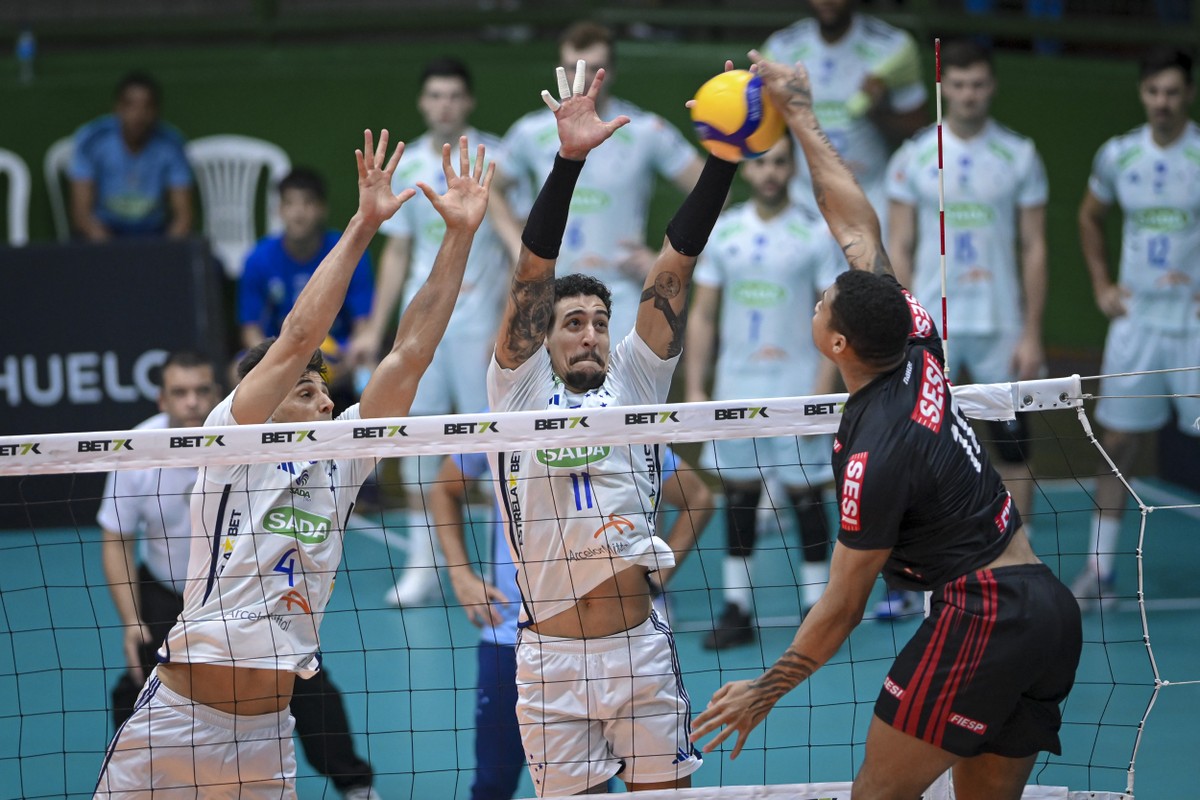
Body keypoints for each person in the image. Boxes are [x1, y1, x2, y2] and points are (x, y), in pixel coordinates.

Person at [691, 53, 1082, 800]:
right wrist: (800, 113)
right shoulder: (915, 339)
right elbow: (856, 226)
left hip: (984, 618)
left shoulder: (876, 448)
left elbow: (843, 606)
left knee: (876, 796)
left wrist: (763, 692)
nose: (819, 300)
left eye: (821, 305)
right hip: (1046, 609)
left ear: (837, 345)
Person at [94, 131, 496, 798]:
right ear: (261, 401)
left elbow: (411, 352)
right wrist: (364, 224)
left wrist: (458, 236)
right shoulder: (230, 441)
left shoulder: (343, 462)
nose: (324, 395)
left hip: (266, 736)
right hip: (176, 725)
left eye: (325, 387)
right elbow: (299, 336)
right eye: (305, 388)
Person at [487, 59, 738, 796]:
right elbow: (531, 273)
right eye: (574, 323)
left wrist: (723, 160)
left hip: (638, 652)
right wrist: (569, 163)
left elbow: (673, 269)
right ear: (545, 337)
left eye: (600, 320)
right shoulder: (518, 391)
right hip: (550, 664)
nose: (591, 333)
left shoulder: (634, 379)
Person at [98, 351, 381, 799]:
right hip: (168, 590)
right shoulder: (139, 449)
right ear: (161, 399)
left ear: (218, 395)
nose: (191, 402)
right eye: (179, 393)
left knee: (307, 681)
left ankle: (355, 784)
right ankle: (147, 764)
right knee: (131, 681)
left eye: (200, 391)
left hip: (248, 587)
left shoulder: (243, 435)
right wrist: (131, 620)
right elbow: (115, 538)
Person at [430, 444, 713, 800]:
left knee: (608, 788)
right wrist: (460, 574)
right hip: (517, 638)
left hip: (624, 645)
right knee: (492, 781)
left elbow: (698, 496)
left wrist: (655, 579)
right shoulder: (504, 423)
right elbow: (444, 487)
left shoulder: (623, 424)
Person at [883, 39, 1048, 619]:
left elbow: (1034, 246)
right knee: (920, 449)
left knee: (1012, 447)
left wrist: (1031, 332)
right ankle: (917, 575)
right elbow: (898, 243)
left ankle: (1019, 567)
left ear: (991, 85)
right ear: (943, 86)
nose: (969, 93)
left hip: (1001, 321)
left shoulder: (1020, 154)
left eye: (978, 83)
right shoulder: (914, 155)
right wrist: (903, 321)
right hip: (934, 325)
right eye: (958, 83)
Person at [347, 58, 520, 608]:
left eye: (453, 95)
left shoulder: (498, 159)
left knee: (492, 453)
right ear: (424, 104)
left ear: (467, 102)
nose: (444, 104)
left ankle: (505, 564)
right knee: (421, 450)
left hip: (480, 333)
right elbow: (397, 251)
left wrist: (533, 301)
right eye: (435, 95)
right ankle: (424, 568)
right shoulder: (414, 164)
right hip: (425, 334)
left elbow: (509, 230)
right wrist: (376, 329)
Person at [684, 136, 842, 649]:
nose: (770, 172)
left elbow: (834, 317)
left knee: (806, 497)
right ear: (747, 172)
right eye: (761, 164)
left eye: (779, 162)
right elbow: (704, 315)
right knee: (741, 498)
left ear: (792, 168)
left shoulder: (816, 234)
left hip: (797, 390)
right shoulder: (724, 232)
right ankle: (737, 608)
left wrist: (823, 390)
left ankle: (815, 609)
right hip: (735, 392)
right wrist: (694, 387)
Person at [1075, 46, 1200, 608]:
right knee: (1117, 442)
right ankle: (1099, 572)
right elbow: (1089, 216)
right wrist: (1103, 285)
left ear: (1188, 94)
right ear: (1142, 94)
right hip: (1136, 324)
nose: (1163, 103)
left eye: (1173, 92)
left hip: (1193, 325)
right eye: (1154, 92)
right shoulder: (1117, 155)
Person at [503, 20, 704, 344]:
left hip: (620, 295)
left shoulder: (643, 129)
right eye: (572, 68)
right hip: (548, 290)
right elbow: (493, 186)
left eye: (594, 68)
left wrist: (664, 256)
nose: (580, 79)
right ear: (559, 70)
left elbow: (711, 195)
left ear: (611, 70)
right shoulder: (530, 131)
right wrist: (517, 247)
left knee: (623, 395)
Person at [762, 0, 927, 238]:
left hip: (871, 200)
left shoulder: (892, 46)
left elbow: (919, 129)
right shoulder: (781, 48)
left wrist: (877, 110)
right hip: (803, 203)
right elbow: (768, 129)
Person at [238, 168, 374, 392]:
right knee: (236, 369)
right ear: (279, 210)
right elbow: (250, 330)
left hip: (337, 353)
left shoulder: (348, 251)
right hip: (278, 354)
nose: (298, 213)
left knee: (370, 372)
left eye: (307, 203)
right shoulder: (258, 258)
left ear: (322, 209)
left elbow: (363, 324)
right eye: (289, 204)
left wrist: (353, 351)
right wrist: (274, 361)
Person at [69, 70, 193, 241]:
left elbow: (183, 218)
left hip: (154, 233)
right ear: (117, 108)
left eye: (146, 107)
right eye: (130, 105)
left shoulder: (171, 144)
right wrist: (111, 249)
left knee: (211, 264)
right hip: (105, 233)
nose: (138, 115)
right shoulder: (93, 140)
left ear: (157, 111)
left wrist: (165, 251)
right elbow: (81, 215)